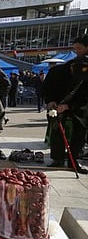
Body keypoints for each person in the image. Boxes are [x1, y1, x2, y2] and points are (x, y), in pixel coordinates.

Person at [43, 35, 88, 174]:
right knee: (57, 130)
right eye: (75, 49)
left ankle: (73, 161)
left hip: (80, 107)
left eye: (79, 48)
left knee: (79, 134)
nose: (76, 51)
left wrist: (70, 106)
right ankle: (57, 158)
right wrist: (51, 101)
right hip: (58, 105)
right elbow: (47, 88)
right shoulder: (57, 71)